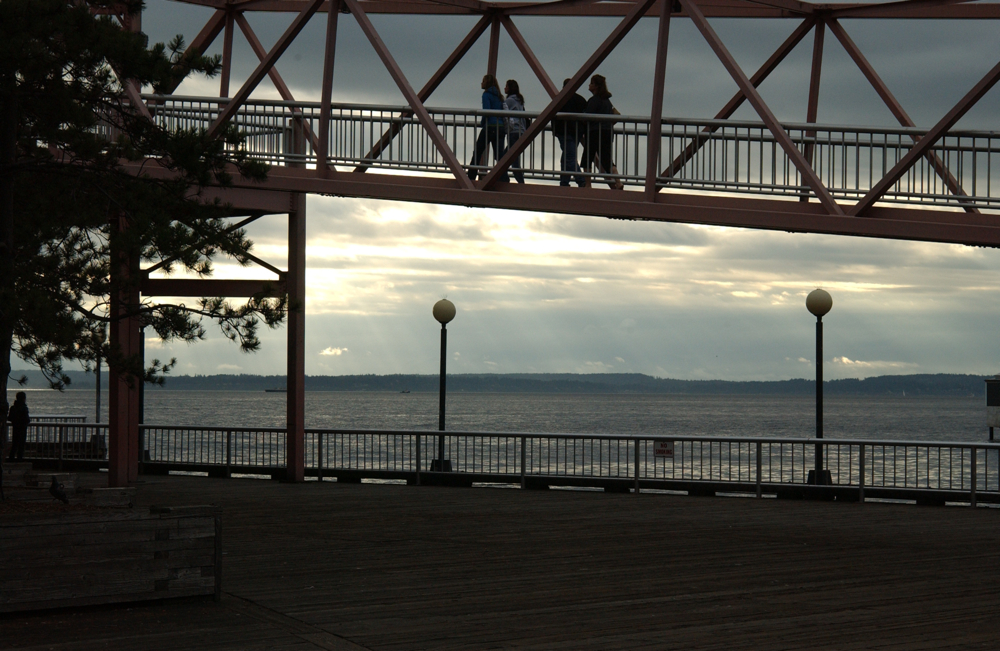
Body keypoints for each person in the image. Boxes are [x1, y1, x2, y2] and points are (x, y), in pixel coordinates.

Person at [582, 74, 624, 190]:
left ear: (596, 86)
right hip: (607, 132)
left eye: (591, 83)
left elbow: (586, 118)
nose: (589, 85)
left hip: (594, 132)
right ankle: (618, 182)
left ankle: (588, 184)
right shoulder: (607, 101)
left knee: (587, 158)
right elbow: (616, 115)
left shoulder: (593, 101)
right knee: (607, 159)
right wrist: (608, 124)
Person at [468, 74, 509, 182]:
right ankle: (504, 178)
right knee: (499, 156)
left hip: (490, 127)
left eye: (483, 81)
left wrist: (483, 123)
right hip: (500, 128)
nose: (481, 83)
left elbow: (486, 111)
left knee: (477, 151)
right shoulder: (499, 96)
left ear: (487, 83)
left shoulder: (486, 95)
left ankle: (470, 177)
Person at [551, 78, 587, 187]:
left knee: (569, 158)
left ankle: (580, 180)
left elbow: (553, 114)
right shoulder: (580, 100)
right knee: (568, 157)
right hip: (576, 132)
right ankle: (564, 182)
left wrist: (555, 131)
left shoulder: (560, 99)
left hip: (564, 132)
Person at [503, 80, 527, 184]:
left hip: (514, 131)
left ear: (510, 88)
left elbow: (501, 110)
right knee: (513, 158)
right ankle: (517, 181)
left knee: (506, 158)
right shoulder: (519, 100)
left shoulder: (510, 101)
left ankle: (506, 180)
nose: (504, 88)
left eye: (506, 86)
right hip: (521, 131)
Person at [8, 391, 29, 461]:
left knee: (14, 445)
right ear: (23, 398)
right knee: (21, 446)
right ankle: (19, 459)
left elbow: (10, 418)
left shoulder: (13, 408)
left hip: (15, 428)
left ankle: (11, 459)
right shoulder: (24, 408)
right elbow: (27, 419)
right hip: (22, 429)